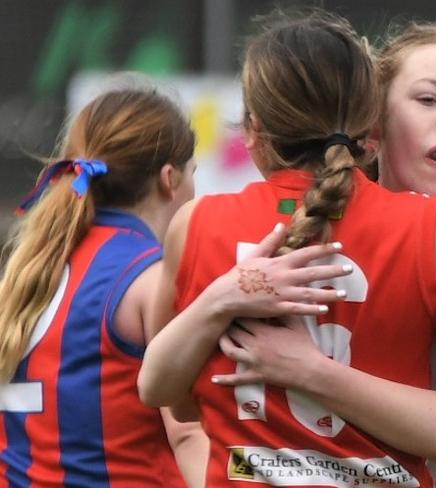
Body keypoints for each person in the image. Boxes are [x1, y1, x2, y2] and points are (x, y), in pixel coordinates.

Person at [137, 11, 436, 488]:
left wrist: (309, 371)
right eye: (428, 99)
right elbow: (180, 406)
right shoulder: (355, 220)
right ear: (373, 123)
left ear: (254, 130)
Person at [0, 85, 348, 487]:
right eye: (193, 174)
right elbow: (185, 432)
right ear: (169, 179)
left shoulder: (31, 269)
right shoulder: (146, 278)